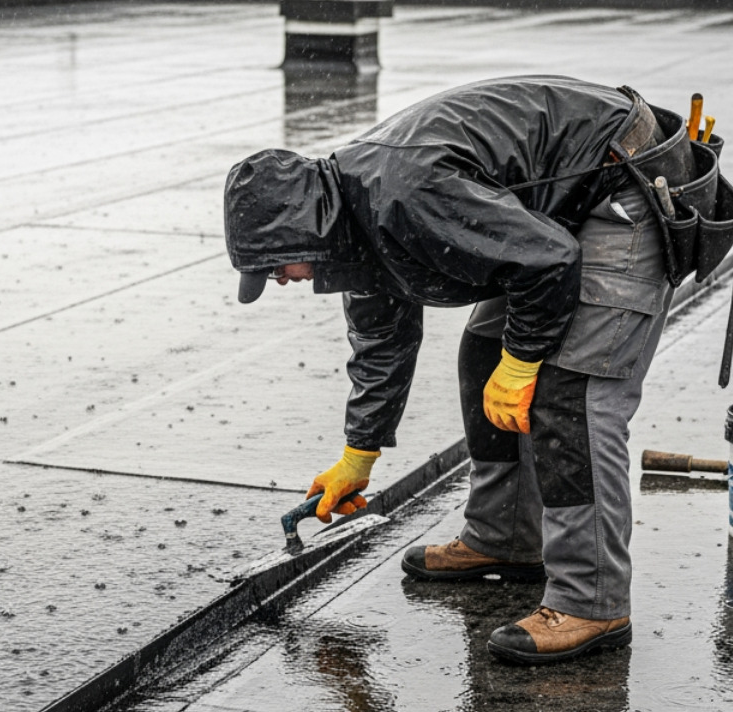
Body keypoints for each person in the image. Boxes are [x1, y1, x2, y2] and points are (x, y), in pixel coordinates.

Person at [223, 75, 697, 665]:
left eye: (275, 268)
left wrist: (524, 363)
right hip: (558, 209)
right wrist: (358, 456)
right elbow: (381, 340)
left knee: (569, 397)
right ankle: (507, 539)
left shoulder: (404, 194)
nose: (282, 282)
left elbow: (548, 261)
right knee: (483, 353)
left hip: (620, 187)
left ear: (299, 227)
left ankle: (592, 601)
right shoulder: (353, 218)